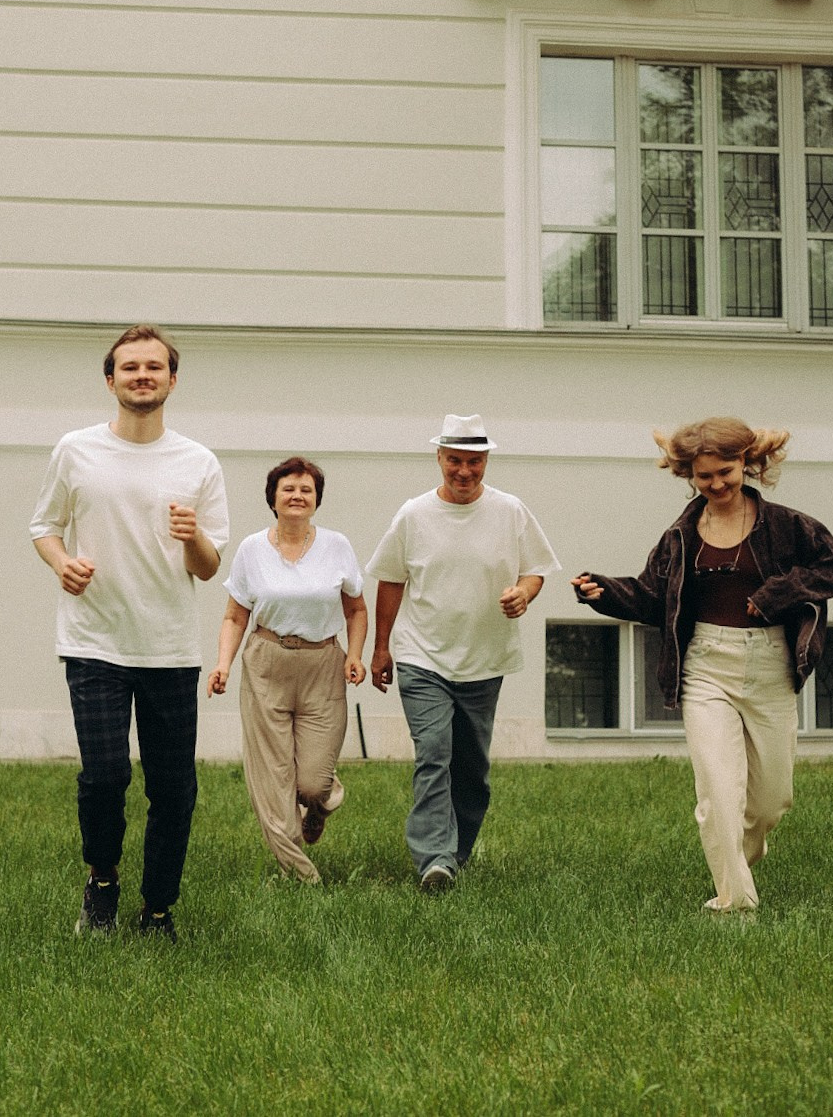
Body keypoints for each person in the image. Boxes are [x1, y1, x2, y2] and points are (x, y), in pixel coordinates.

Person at [573, 417, 833, 914]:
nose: (718, 484)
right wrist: (603, 590)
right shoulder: (681, 535)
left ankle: (739, 856)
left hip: (771, 664)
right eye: (705, 477)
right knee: (718, 790)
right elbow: (651, 595)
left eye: (726, 472)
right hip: (705, 665)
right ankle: (734, 901)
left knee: (769, 801)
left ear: (747, 462)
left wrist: (774, 595)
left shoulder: (789, 526)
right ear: (689, 477)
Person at [30, 324, 229, 941]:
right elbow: (44, 524)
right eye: (130, 367)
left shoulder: (198, 461)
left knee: (174, 790)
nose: (142, 376)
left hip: (169, 648)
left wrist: (193, 533)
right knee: (105, 776)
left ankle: (159, 910)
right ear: (110, 378)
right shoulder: (75, 450)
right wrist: (63, 564)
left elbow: (209, 566)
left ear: (172, 378)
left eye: (154, 367)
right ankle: (102, 883)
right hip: (94, 643)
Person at [367, 414, 560, 893]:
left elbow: (536, 568)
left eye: (474, 461)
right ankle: (434, 859)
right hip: (422, 655)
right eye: (455, 460)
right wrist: (381, 647)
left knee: (471, 768)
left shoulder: (510, 510)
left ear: (486, 460)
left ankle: (456, 852)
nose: (464, 471)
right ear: (439, 458)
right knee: (433, 752)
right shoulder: (413, 514)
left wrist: (525, 592)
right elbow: (391, 580)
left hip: (484, 659)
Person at [207, 456, 367, 884]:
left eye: (306, 490)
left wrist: (355, 655)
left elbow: (356, 608)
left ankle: (320, 805)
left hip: (322, 666)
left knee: (312, 782)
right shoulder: (251, 549)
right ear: (273, 499)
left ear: (316, 500)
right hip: (266, 664)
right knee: (273, 779)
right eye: (288, 489)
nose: (297, 496)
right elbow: (235, 616)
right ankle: (303, 878)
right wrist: (222, 664)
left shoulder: (337, 546)